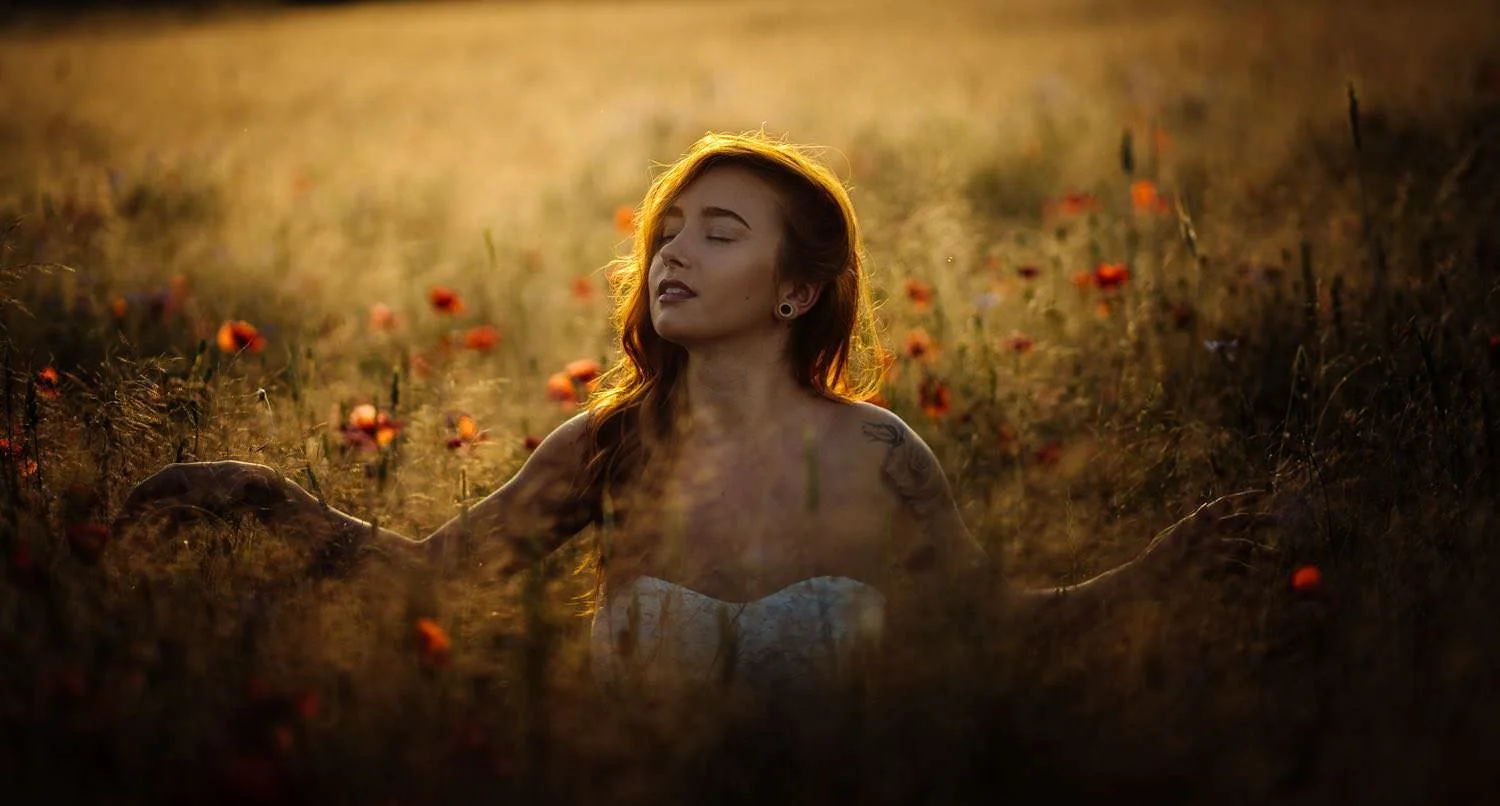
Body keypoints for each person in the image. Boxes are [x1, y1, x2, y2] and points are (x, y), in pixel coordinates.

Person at [115, 131, 1275, 701]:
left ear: (794, 289)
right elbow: (433, 577)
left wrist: (1169, 564)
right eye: (668, 229)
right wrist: (261, 495)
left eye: (720, 232)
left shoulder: (877, 457)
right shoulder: (611, 445)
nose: (673, 250)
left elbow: (999, 629)